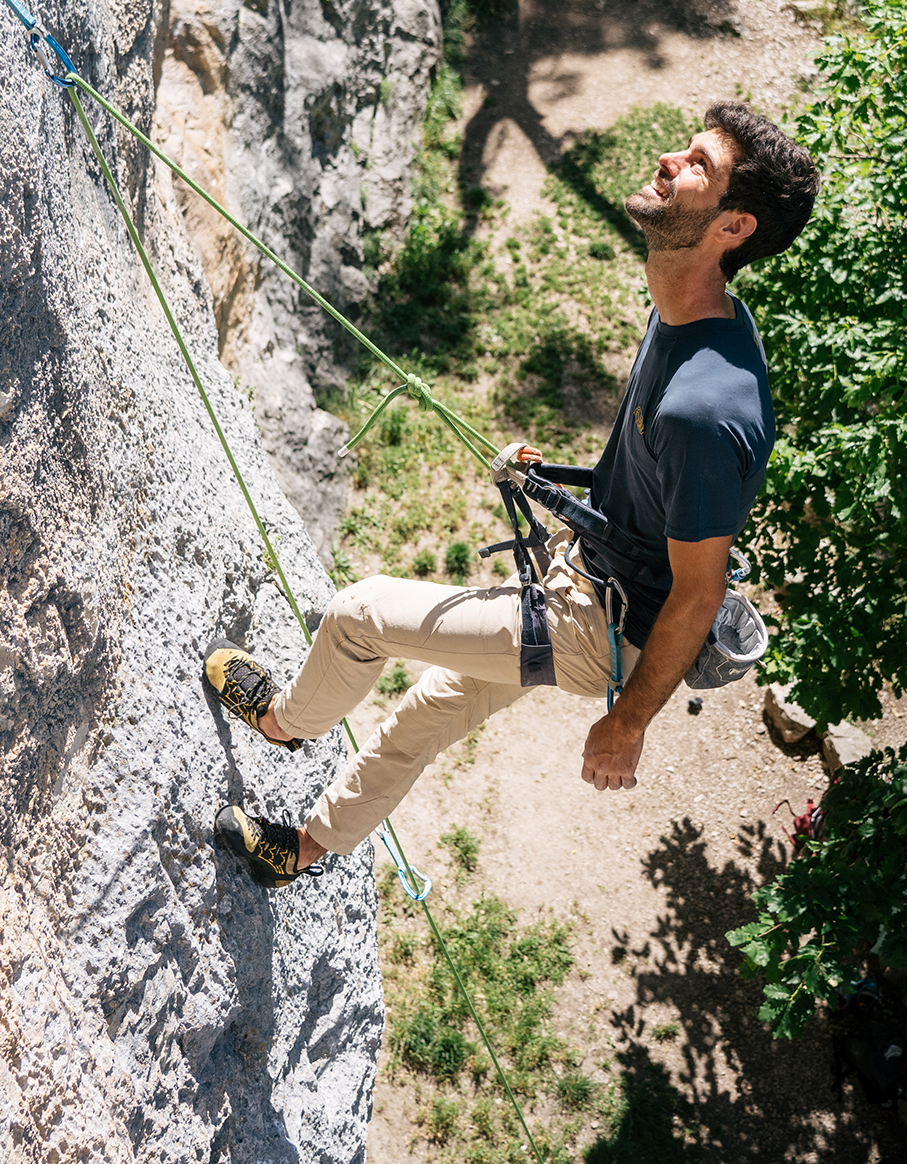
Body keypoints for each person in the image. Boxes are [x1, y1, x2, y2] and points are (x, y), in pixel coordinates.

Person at [207, 101, 820, 888]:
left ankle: (284, 724)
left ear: (734, 227)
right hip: (590, 576)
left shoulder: (708, 407)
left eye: (698, 163)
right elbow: (648, 479)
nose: (669, 160)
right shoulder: (685, 313)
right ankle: (300, 852)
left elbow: (698, 595)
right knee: (428, 708)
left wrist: (628, 720)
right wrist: (555, 480)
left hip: (602, 623)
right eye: (684, 149)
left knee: (357, 617)